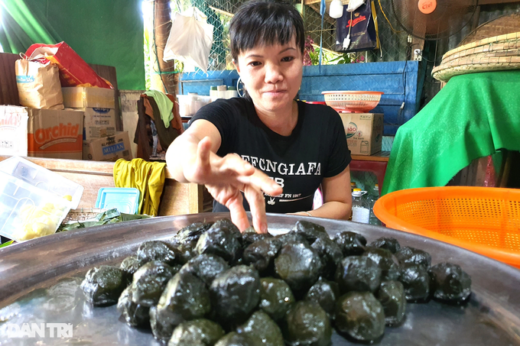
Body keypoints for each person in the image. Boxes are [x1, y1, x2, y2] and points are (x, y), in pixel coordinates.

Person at [166, 0, 352, 233]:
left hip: (298, 251)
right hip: (231, 248)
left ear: (302, 59)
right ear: (239, 69)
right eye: (256, 62)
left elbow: (341, 204)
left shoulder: (326, 123)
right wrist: (194, 164)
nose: (273, 75)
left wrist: (290, 224)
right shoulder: (226, 115)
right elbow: (182, 149)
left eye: (286, 59)